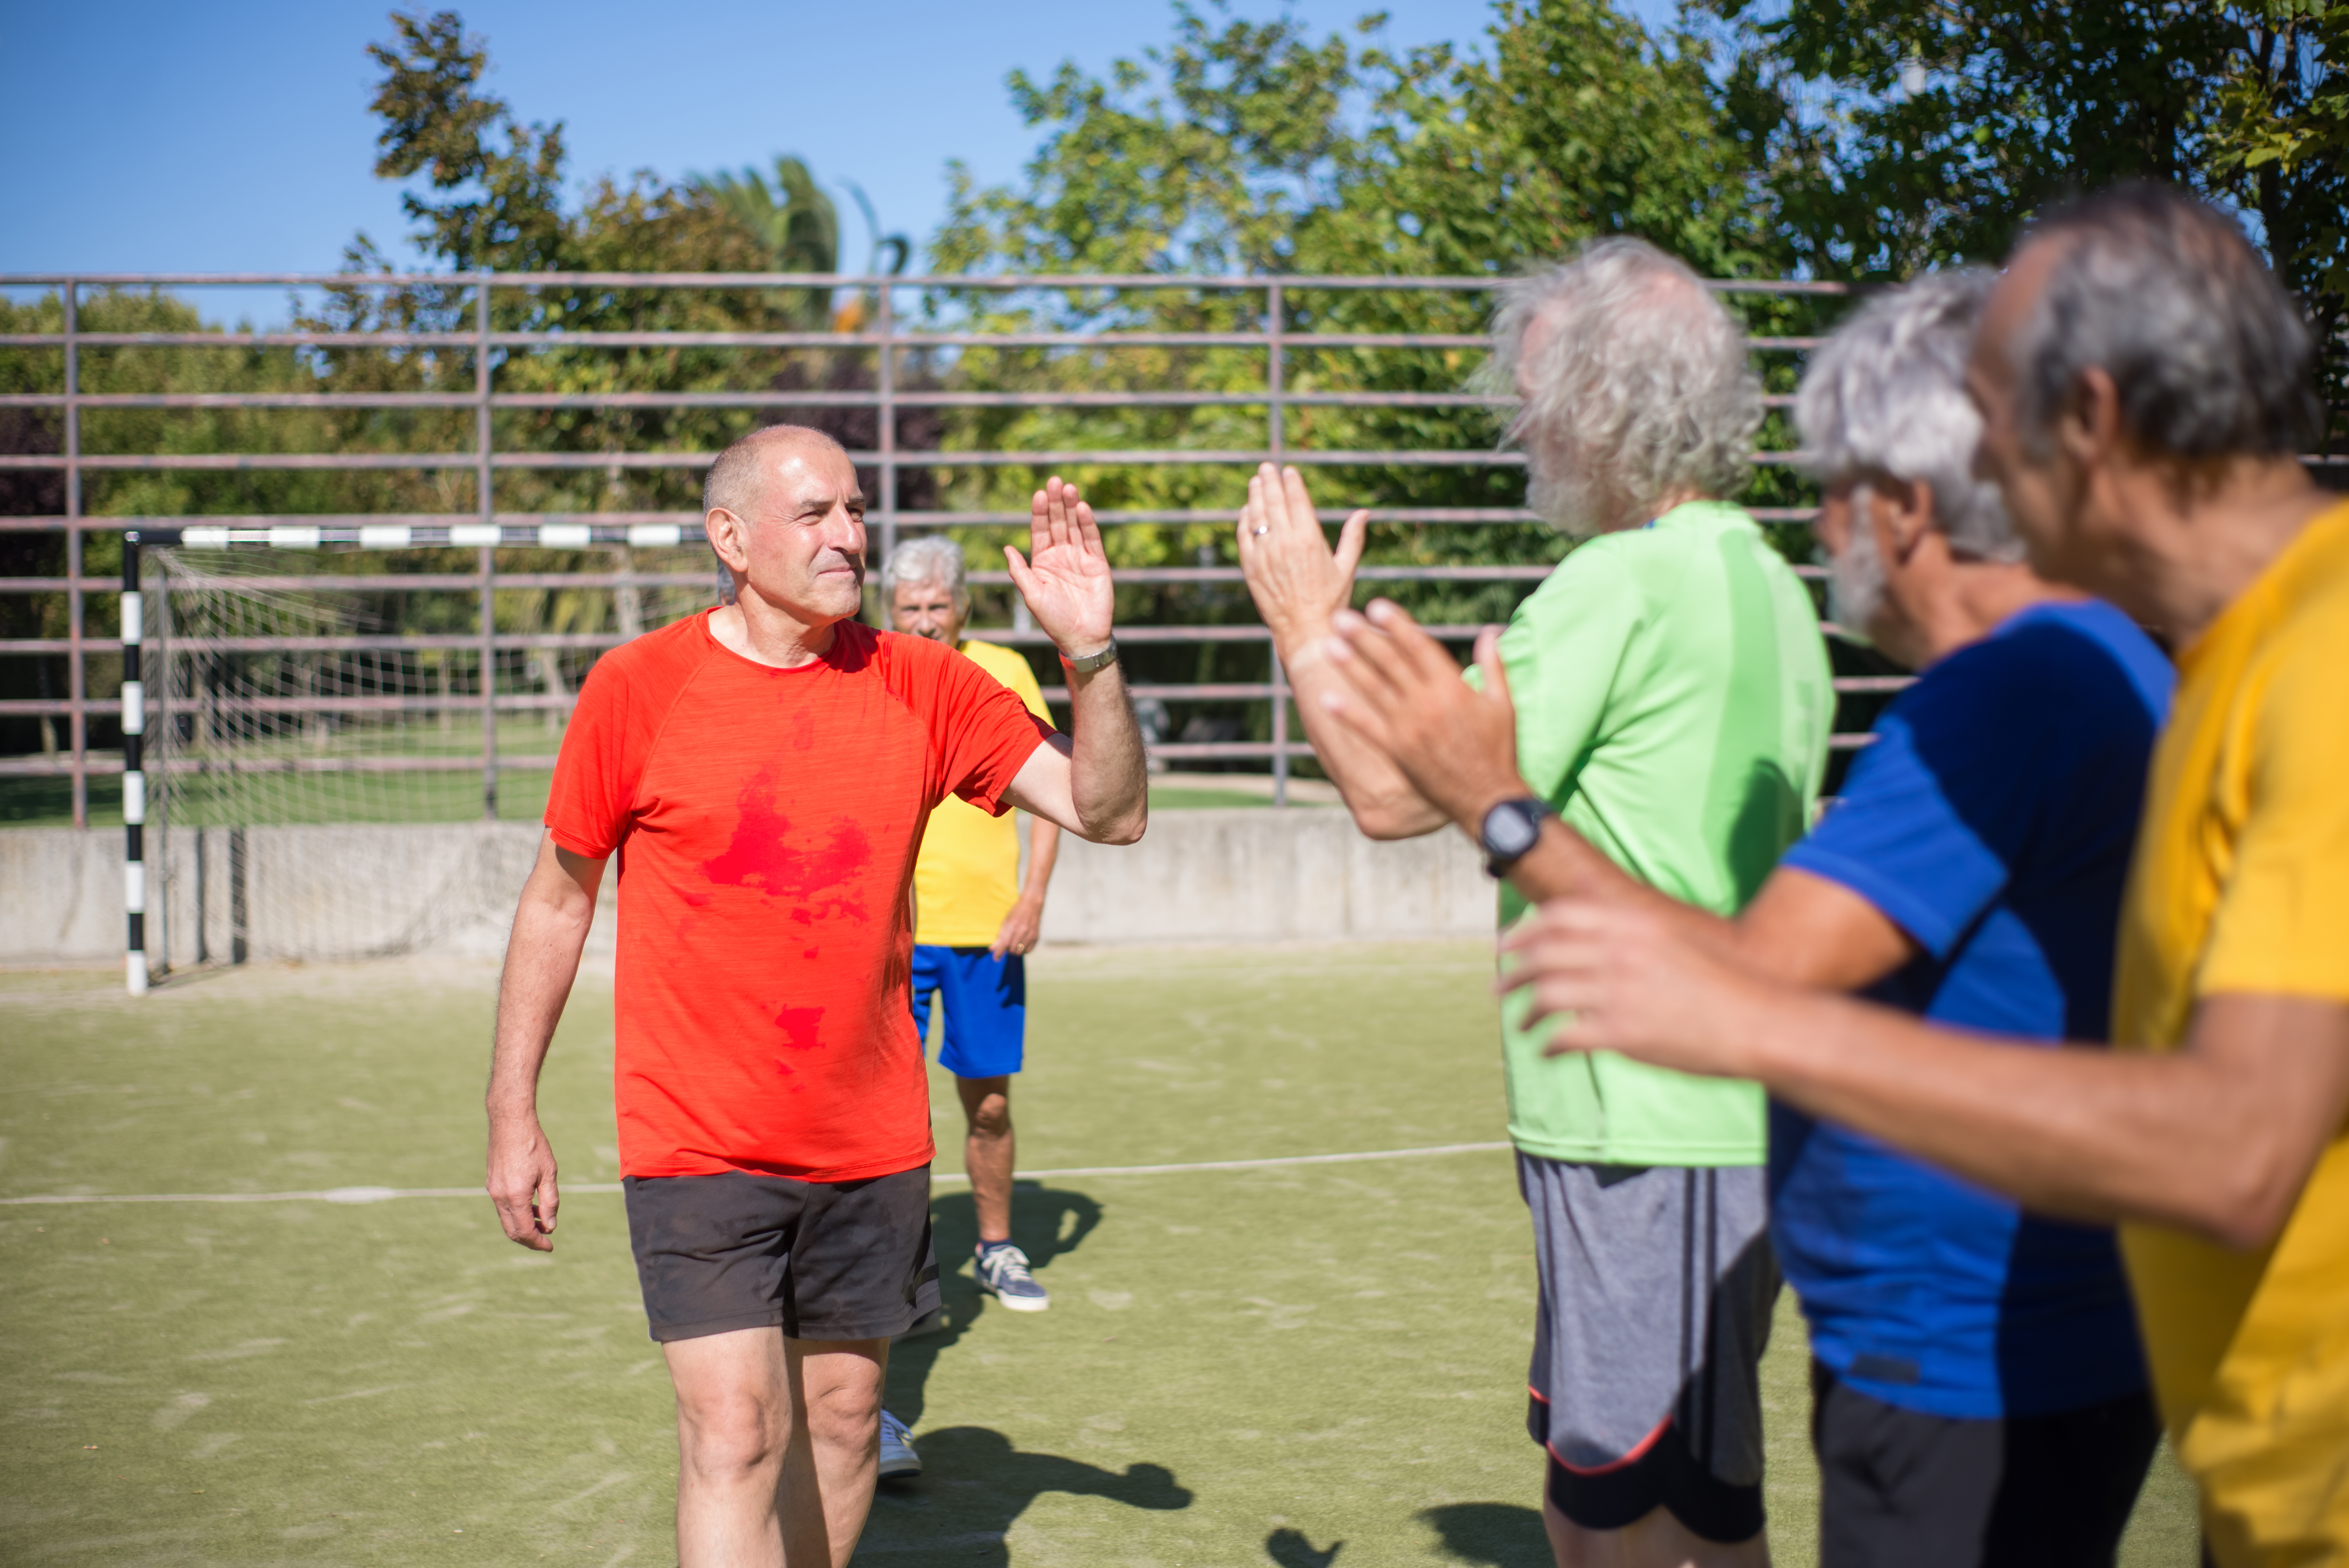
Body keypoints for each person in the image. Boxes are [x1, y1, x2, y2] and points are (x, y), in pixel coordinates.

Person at [1492, 188, 2349, 1568]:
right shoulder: (2217, 652)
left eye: (1984, 407)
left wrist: (1757, 1023)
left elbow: (2233, 1145)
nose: (1962, 461)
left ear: (2082, 413)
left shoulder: (2301, 657)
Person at [1307, 273, 2171, 1566]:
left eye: (1836, 485)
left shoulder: (1996, 700)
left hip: (1916, 1298)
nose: (1818, 523)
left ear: (1911, 502)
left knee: (1645, 1512)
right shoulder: (2084, 659)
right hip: (1999, 1287)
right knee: (1642, 1496)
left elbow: (1757, 975)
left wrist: (1453, 769)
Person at [1237, 237, 1834, 1568]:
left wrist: (1300, 630)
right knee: (1641, 1493)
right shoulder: (1767, 581)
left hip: (1652, 1118)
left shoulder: (1613, 583)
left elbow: (1399, 796)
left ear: (1606, 401)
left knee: (1637, 1512)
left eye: (1533, 388)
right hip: (1687, 1114)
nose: (1517, 421)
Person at [483, 426, 1146, 1568]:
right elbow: (556, 903)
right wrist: (512, 1110)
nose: (849, 535)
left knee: (842, 1427)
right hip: (696, 1139)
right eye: (815, 514)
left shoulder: (927, 684)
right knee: (736, 1433)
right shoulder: (636, 689)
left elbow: (1111, 812)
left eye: (854, 510)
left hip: (871, 1139)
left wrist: (1092, 657)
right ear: (730, 539)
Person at [887, 535, 1060, 1314]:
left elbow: (1054, 784)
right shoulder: (867, 667)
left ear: (961, 607)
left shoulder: (1006, 671)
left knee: (987, 1102)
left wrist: (1032, 896)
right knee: (887, 1114)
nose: (924, 620)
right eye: (908, 608)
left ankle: (995, 1248)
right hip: (889, 933)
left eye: (936, 605)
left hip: (984, 932)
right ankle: (900, 1275)